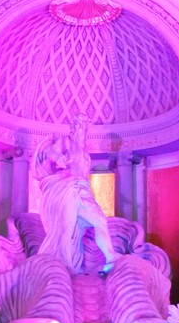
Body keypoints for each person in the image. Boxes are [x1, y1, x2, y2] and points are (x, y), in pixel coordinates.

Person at [33, 114, 118, 274]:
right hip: (66, 188)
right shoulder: (65, 141)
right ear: (72, 128)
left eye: (83, 127)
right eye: (78, 126)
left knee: (100, 220)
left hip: (82, 190)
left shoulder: (86, 155)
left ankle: (110, 257)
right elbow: (50, 152)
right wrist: (58, 158)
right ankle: (67, 265)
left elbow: (85, 177)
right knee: (67, 227)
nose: (81, 129)